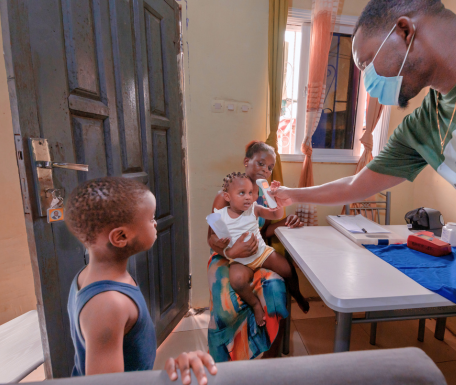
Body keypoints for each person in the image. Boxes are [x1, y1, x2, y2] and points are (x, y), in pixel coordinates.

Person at [269, 0, 456, 382]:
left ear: (404, 31)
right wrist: (293, 194)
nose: (367, 81)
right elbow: (354, 184)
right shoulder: (423, 126)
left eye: (366, 64)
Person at [65, 177, 217, 385]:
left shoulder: (88, 274)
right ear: (120, 237)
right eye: (151, 218)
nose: (156, 223)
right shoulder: (109, 305)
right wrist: (166, 379)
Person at [207, 141, 303, 362]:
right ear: (246, 162)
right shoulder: (226, 196)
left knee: (276, 290)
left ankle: (270, 355)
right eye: (260, 163)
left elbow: (263, 229)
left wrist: (284, 222)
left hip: (256, 252)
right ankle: (229, 356)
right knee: (227, 305)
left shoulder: (264, 195)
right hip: (226, 257)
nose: (265, 170)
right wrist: (233, 252)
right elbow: (211, 239)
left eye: (269, 167)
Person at [214, 172, 308, 326]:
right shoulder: (220, 215)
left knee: (287, 269)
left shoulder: (254, 208)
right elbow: (214, 237)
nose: (248, 197)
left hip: (262, 253)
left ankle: (297, 295)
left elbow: (275, 214)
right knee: (237, 281)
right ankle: (255, 304)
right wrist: (221, 241)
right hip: (239, 260)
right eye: (242, 193)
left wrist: (276, 204)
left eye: (251, 193)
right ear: (227, 197)